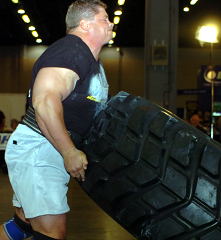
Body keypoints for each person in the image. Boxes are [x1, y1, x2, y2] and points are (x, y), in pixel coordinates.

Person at [0, 0, 113, 239]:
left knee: (23, 226)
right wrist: (69, 151)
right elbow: (45, 101)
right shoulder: (72, 51)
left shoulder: (88, 60)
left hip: (46, 149)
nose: (111, 23)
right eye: (104, 19)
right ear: (84, 24)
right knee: (51, 232)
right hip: (40, 148)